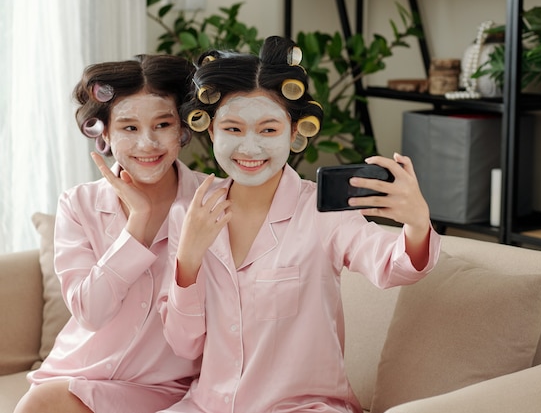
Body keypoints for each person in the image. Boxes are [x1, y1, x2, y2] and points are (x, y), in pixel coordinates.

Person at [157, 35, 441, 413]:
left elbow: (393, 266)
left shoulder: (324, 215)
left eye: (269, 130)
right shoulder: (188, 216)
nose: (250, 148)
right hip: (207, 405)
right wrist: (188, 261)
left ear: (294, 134)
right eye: (233, 129)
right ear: (211, 133)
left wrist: (417, 225)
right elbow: (184, 344)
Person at [14, 54, 206, 413]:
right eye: (129, 128)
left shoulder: (211, 204)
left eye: (162, 125)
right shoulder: (79, 205)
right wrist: (138, 224)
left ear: (182, 128)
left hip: (167, 391)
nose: (147, 144)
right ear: (105, 132)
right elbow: (91, 313)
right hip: (75, 380)